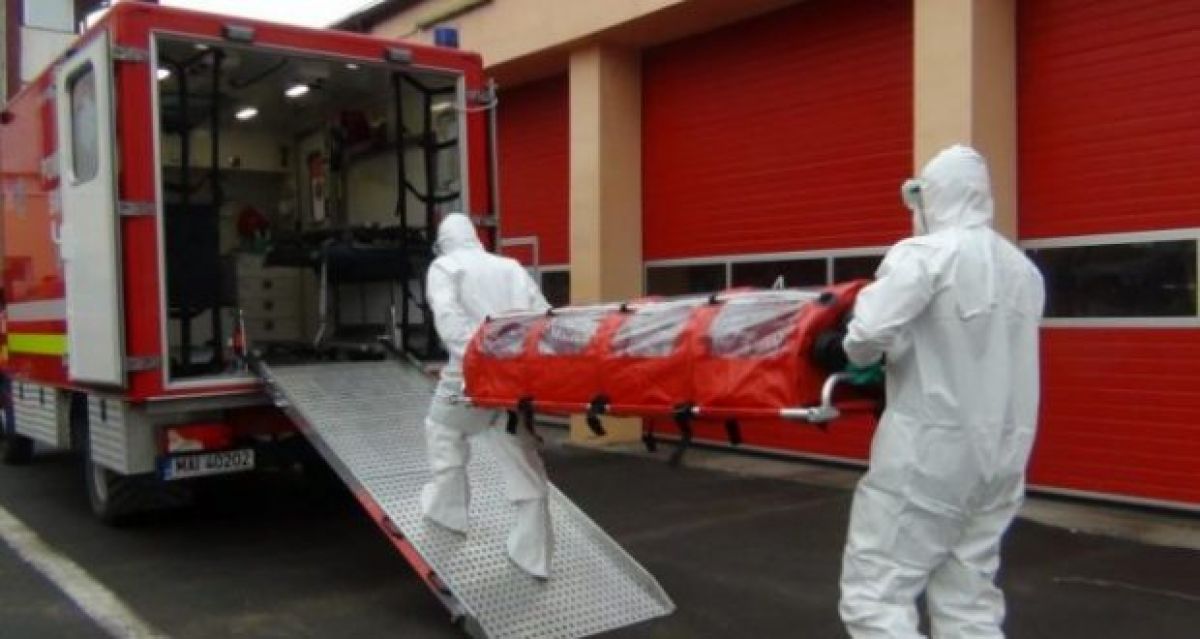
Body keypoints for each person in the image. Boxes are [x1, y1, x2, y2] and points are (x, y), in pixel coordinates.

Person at [837, 145, 1045, 638]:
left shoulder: (925, 255)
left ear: (933, 195)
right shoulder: (1023, 270)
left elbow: (865, 339)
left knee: (877, 593)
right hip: (1002, 456)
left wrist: (862, 353)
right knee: (968, 597)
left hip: (929, 453)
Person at [419, 212, 555, 579]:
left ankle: (448, 514)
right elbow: (543, 316)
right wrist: (518, 361)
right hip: (514, 377)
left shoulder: (444, 267)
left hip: (470, 376)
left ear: (443, 241)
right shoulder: (510, 267)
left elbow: (449, 321)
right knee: (521, 456)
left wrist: (481, 357)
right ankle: (534, 555)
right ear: (475, 236)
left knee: (443, 432)